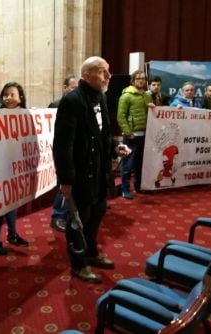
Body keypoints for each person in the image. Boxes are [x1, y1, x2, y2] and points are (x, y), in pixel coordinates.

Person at [53, 56, 130, 283]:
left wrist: (116, 148)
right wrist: (66, 180)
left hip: (99, 172)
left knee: (97, 214)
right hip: (79, 176)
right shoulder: (72, 101)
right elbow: (62, 145)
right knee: (78, 220)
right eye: (101, 71)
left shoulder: (102, 99)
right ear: (86, 75)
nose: (108, 76)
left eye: (108, 71)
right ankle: (78, 264)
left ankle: (92, 252)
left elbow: (103, 135)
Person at [0, 82, 29, 255]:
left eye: (11, 94)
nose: (7, 98)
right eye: (5, 94)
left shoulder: (25, 115)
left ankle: (12, 234)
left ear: (20, 97)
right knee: (0, 208)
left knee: (12, 204)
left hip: (15, 167)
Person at [49, 75, 78, 232]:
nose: (76, 91)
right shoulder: (55, 105)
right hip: (62, 151)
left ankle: (68, 213)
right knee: (63, 184)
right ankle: (57, 216)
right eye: (73, 87)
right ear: (65, 87)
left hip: (74, 150)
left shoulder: (79, 105)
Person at [117, 70, 152, 199]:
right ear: (133, 80)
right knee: (127, 164)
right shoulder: (126, 96)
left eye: (143, 78)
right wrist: (128, 132)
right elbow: (121, 117)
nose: (141, 81)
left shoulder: (147, 96)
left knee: (141, 164)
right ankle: (125, 189)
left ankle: (139, 186)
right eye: (138, 79)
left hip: (145, 134)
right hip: (132, 135)